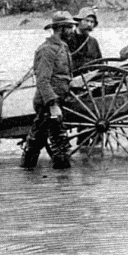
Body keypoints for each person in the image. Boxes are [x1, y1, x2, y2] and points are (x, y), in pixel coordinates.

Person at [20, 11, 77, 170]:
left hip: (57, 99)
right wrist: (53, 104)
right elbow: (42, 80)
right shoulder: (46, 50)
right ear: (60, 28)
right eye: (70, 28)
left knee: (36, 140)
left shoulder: (62, 47)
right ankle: (64, 179)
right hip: (47, 102)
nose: (72, 31)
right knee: (59, 143)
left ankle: (27, 170)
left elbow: (65, 75)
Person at [68, 7, 102, 74]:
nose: (89, 24)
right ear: (79, 21)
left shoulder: (93, 42)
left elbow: (100, 62)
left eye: (92, 22)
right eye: (87, 21)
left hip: (91, 79)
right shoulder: (69, 39)